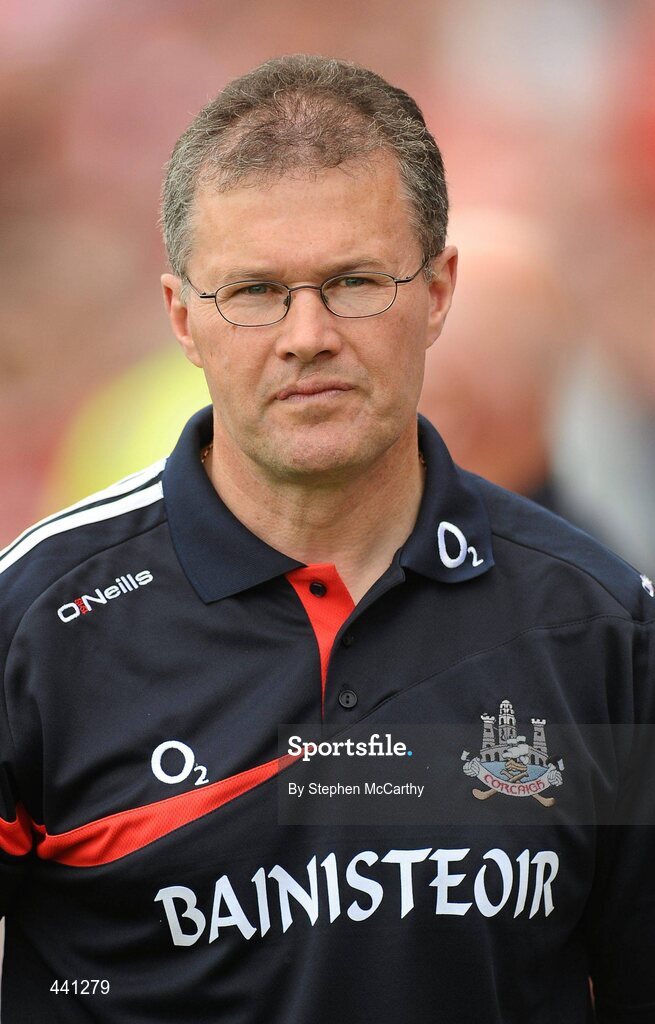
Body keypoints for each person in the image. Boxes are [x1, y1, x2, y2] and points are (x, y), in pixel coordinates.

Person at [0, 55, 653, 1024]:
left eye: (352, 281)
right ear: (183, 316)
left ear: (436, 292)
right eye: (255, 291)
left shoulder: (600, 628)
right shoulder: (38, 623)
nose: (306, 334)